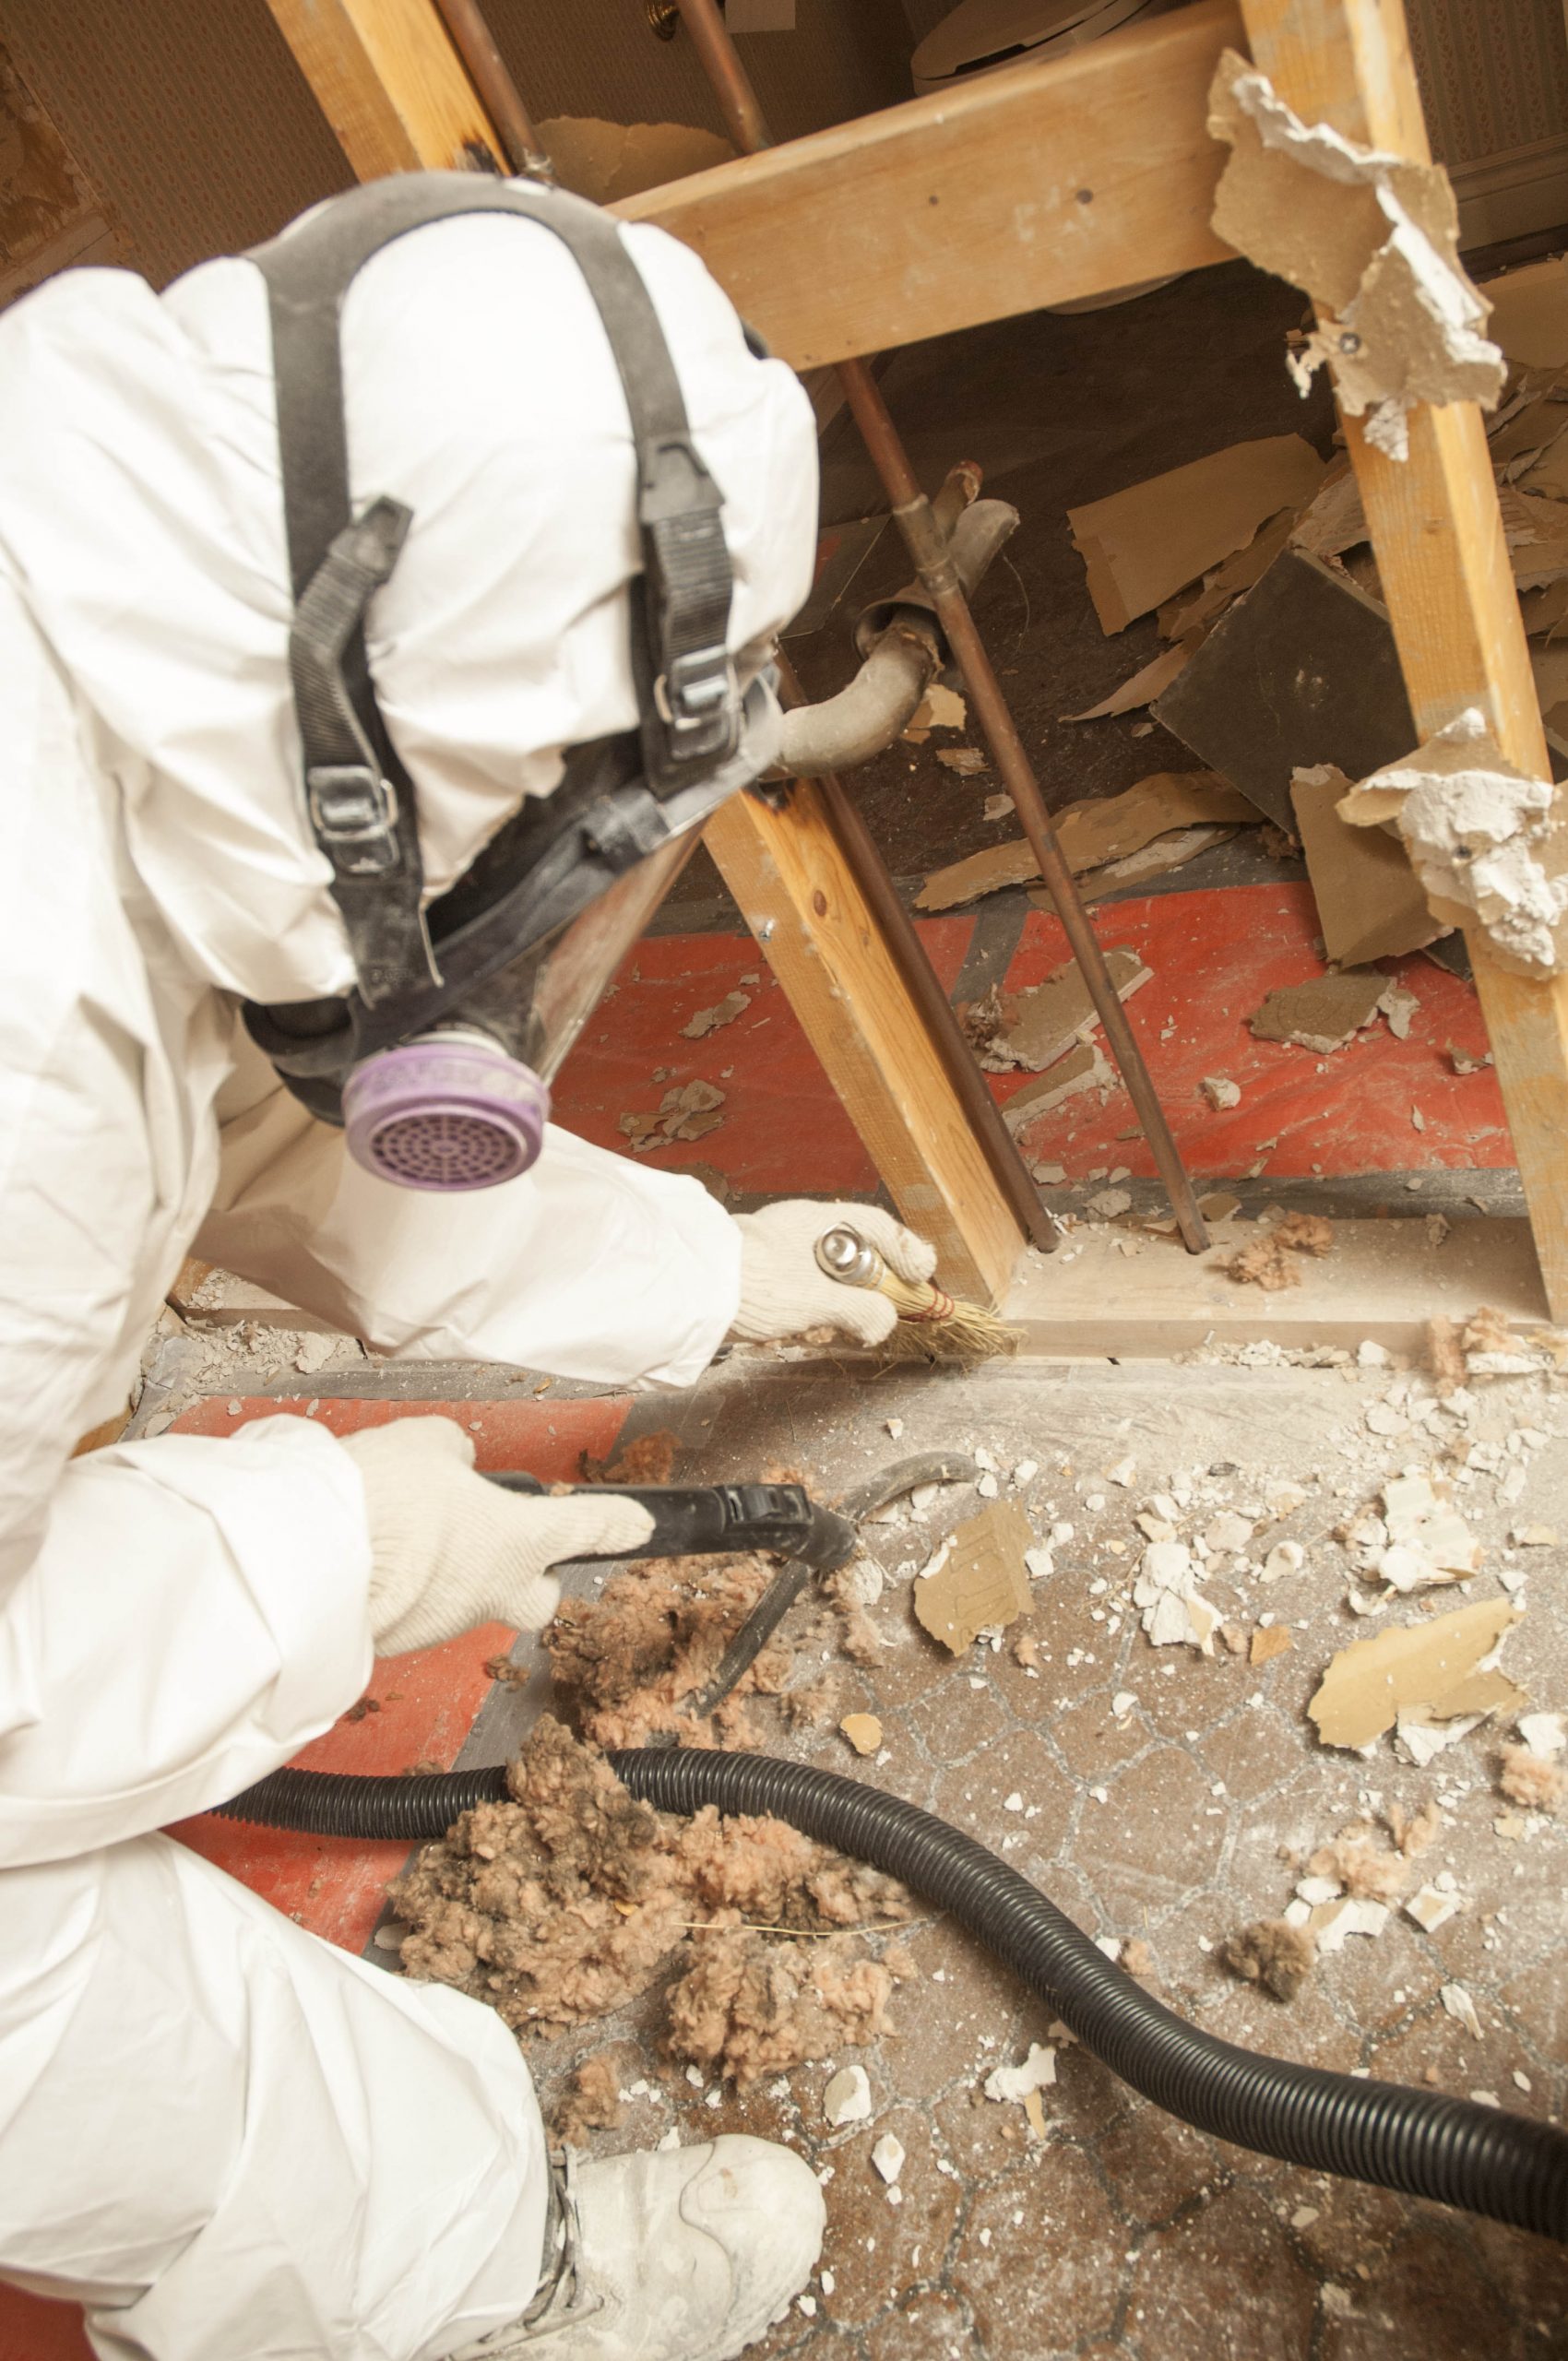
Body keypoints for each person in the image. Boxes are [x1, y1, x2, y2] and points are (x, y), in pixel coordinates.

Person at [0, 176, 938, 2361]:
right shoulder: (15, 1035)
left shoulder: (123, 625)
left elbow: (236, 1103)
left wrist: (693, 1270)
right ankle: (491, 2290)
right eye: (552, 825)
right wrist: (329, 1537)